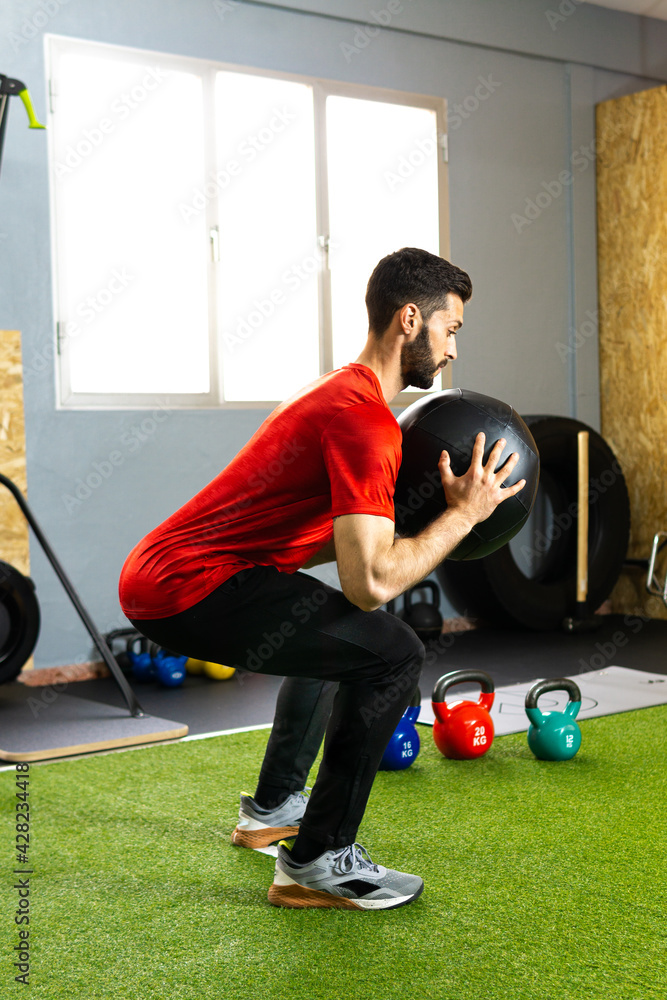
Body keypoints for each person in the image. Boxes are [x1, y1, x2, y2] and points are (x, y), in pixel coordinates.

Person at [118, 247, 525, 912]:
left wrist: (413, 519)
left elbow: (339, 557)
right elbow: (371, 583)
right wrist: (464, 515)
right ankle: (316, 860)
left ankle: (274, 807)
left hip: (174, 574)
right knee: (394, 653)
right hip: (188, 584)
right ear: (410, 319)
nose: (453, 349)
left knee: (343, 638)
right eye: (450, 329)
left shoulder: (338, 392)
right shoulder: (365, 422)